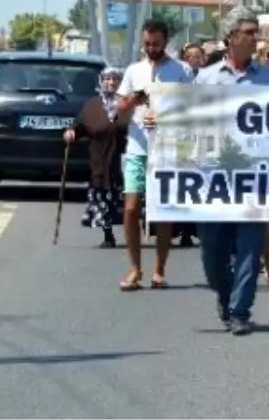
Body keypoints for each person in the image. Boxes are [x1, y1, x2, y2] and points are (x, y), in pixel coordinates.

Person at [193, 6, 269, 335]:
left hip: (254, 176)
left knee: (249, 247)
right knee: (213, 253)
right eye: (248, 31)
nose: (255, 37)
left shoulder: (268, 78)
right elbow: (186, 120)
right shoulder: (205, 78)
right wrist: (157, 120)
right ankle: (225, 292)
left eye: (256, 30)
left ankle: (240, 311)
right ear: (231, 37)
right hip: (214, 178)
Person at [115, 18, 193, 291]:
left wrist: (166, 116)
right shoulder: (134, 70)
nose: (151, 48)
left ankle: (159, 268)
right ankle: (135, 268)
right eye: (147, 44)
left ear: (166, 41)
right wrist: (134, 100)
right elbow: (119, 108)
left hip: (168, 149)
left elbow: (193, 108)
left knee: (162, 211)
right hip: (137, 148)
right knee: (131, 208)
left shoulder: (181, 70)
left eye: (156, 44)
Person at [64, 67, 130, 248]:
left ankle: (133, 233)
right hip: (99, 160)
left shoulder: (129, 104)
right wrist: (71, 133)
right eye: (107, 80)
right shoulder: (92, 106)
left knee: (128, 199)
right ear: (101, 82)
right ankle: (108, 234)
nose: (111, 83)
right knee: (102, 196)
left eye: (115, 80)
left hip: (124, 160)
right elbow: (77, 126)